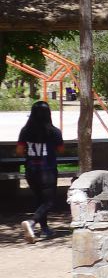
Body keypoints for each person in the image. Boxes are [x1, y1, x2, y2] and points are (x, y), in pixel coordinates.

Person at [16, 100, 64, 241]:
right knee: (48, 202)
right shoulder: (54, 132)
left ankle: (44, 230)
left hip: (31, 170)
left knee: (39, 199)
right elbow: (61, 149)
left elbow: (19, 151)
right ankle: (31, 223)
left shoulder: (25, 131)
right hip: (47, 170)